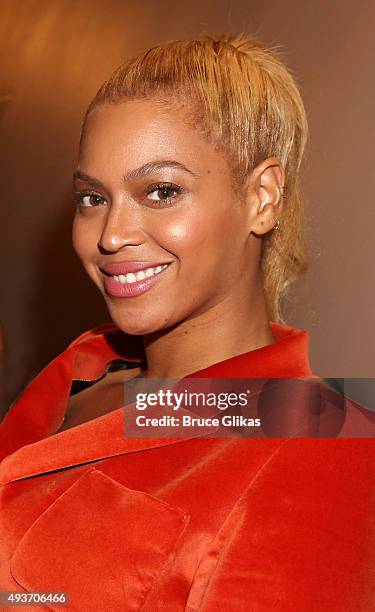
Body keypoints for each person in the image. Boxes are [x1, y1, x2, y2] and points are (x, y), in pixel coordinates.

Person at [0, 33, 374, 611]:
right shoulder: (83, 368)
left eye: (161, 191)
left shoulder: (326, 442)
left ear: (262, 198)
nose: (109, 236)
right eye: (92, 198)